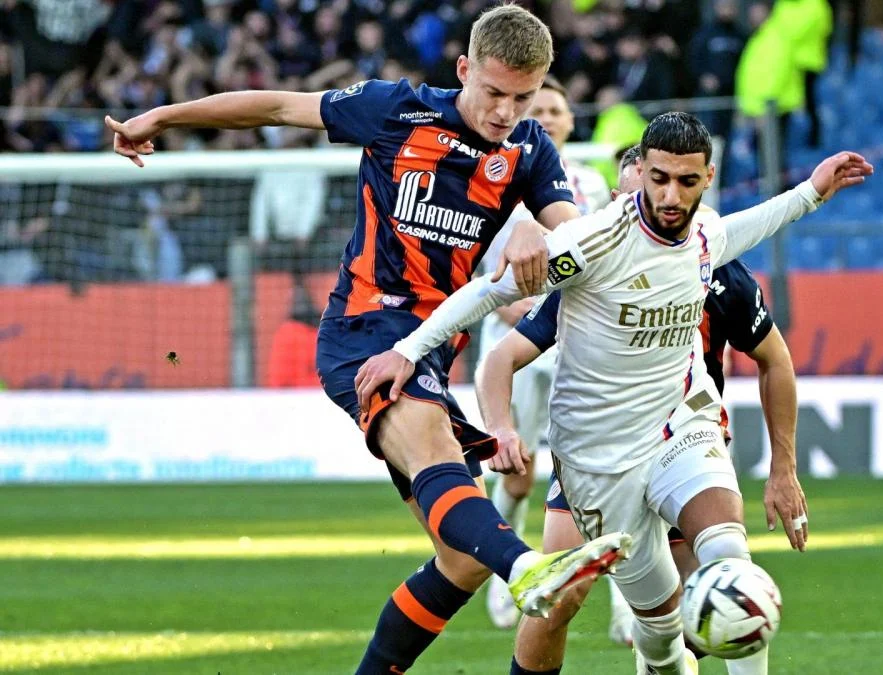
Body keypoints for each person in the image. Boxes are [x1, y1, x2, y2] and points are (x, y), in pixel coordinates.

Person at [105, 6, 631, 674]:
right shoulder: (396, 111)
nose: (506, 111)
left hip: (433, 349)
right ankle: (526, 568)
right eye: (494, 92)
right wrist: (164, 117)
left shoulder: (531, 151)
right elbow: (274, 105)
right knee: (447, 467)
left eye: (523, 98)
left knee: (463, 558)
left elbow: (579, 241)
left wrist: (542, 230)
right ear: (464, 69)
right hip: (365, 331)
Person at [387, 112, 872, 675]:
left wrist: (812, 191)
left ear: (707, 177)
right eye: (659, 178)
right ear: (639, 171)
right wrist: (410, 349)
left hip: (680, 426)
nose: (671, 195)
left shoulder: (706, 233)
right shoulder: (592, 243)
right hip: (599, 463)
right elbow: (486, 295)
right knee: (662, 635)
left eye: (687, 182)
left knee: (728, 558)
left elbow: (754, 224)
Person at [481, 145, 809, 674]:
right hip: (600, 455)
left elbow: (776, 359)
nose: (659, 207)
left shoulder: (716, 269)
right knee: (564, 597)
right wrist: (500, 424)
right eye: (640, 195)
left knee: (723, 574)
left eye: (675, 192)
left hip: (682, 439)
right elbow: (504, 350)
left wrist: (784, 468)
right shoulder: (588, 272)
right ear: (615, 202)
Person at [475, 74, 614, 631]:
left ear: (570, 122)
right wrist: (518, 311)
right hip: (513, 338)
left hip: (571, 340)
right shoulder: (493, 176)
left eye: (556, 110)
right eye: (542, 110)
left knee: (596, 465)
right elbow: (485, 265)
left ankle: (629, 605)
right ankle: (502, 574)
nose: (550, 118)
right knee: (515, 471)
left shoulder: (593, 185)